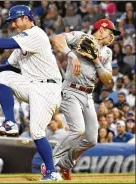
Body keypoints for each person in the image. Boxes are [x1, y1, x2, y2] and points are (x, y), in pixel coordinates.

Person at [0, 5, 63, 181]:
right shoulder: (22, 41)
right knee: (3, 76)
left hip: (48, 89)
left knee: (36, 131)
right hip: (33, 86)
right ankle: (10, 122)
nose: (14, 25)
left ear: (26, 18)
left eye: (15, 20)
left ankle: (52, 172)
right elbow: (11, 68)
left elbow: (7, 42)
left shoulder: (36, 34)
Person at [47, 19, 119, 180]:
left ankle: (65, 164)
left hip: (88, 95)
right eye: (111, 32)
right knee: (78, 130)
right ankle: (50, 164)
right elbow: (56, 38)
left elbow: (108, 80)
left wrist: (95, 60)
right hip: (71, 90)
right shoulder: (81, 37)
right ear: (101, 30)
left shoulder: (107, 52)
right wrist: (71, 55)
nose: (113, 36)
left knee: (92, 138)